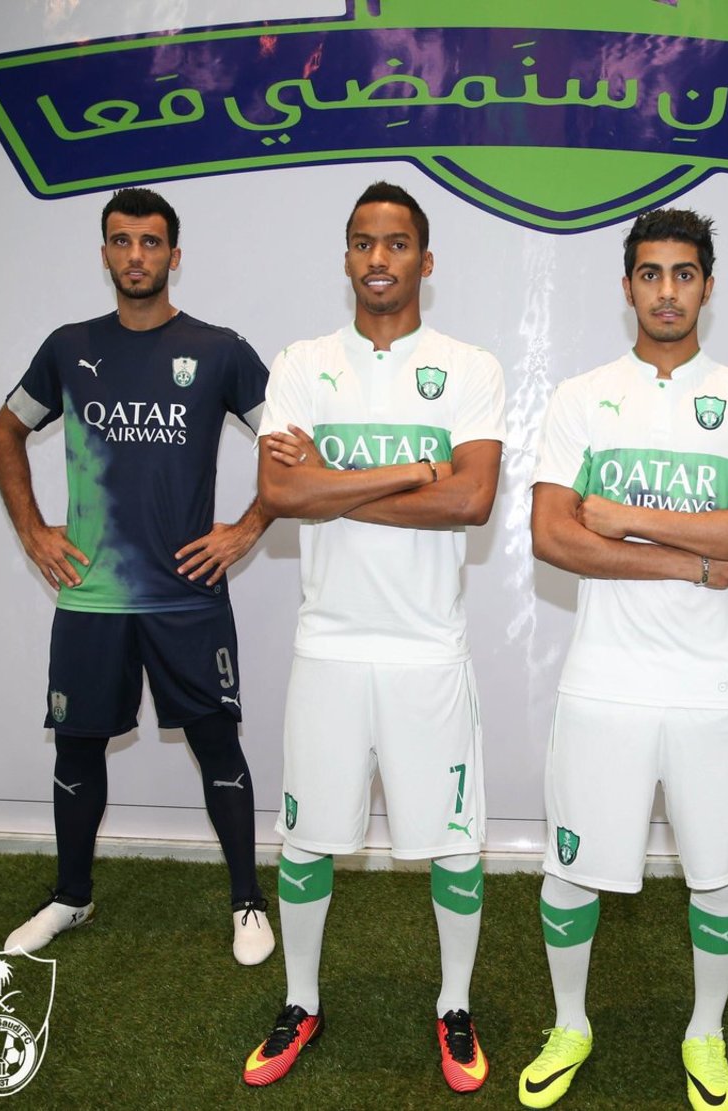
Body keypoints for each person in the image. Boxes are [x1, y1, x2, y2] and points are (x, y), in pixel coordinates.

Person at [521, 209, 728, 1111]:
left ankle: (705, 1031)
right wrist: (687, 559)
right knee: (571, 869)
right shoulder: (582, 396)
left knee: (718, 870)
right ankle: (571, 1022)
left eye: (683, 274)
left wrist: (628, 517)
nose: (667, 291)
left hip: (710, 686)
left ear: (708, 286)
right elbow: (554, 536)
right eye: (650, 273)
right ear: (628, 285)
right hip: (605, 681)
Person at [242, 182, 505, 1093]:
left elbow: (472, 501)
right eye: (363, 242)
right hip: (330, 645)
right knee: (307, 839)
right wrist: (416, 470)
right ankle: (301, 1000)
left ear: (426, 261)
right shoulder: (302, 363)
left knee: (455, 844)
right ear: (346, 257)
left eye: (396, 243)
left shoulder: (468, 367)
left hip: (428, 649)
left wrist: (335, 480)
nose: (379, 258)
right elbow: (280, 493)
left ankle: (454, 1005)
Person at [0, 187, 276, 965]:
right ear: (105, 253)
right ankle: (70, 896)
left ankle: (247, 899)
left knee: (216, 741)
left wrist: (247, 527)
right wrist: (34, 531)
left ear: (174, 255)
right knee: (77, 744)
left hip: (187, 592)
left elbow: (289, 444)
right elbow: (7, 429)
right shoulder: (68, 347)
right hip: (93, 594)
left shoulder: (218, 349)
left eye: (151, 242)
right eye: (122, 241)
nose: (136, 255)